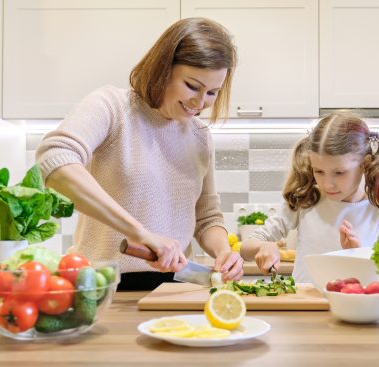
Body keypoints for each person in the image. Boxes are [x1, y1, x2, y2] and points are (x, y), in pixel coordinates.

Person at [36, 17, 243, 290]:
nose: (200, 102)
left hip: (179, 288)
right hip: (101, 285)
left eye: (212, 93)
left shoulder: (200, 137)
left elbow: (207, 219)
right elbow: (54, 158)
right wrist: (139, 233)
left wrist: (223, 251)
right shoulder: (113, 107)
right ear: (162, 69)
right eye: (192, 86)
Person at [240, 112, 379, 282]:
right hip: (306, 305)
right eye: (319, 171)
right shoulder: (305, 200)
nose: (327, 184)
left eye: (339, 172)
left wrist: (360, 254)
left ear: (364, 164)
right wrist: (263, 246)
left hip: (358, 307)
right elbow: (246, 248)